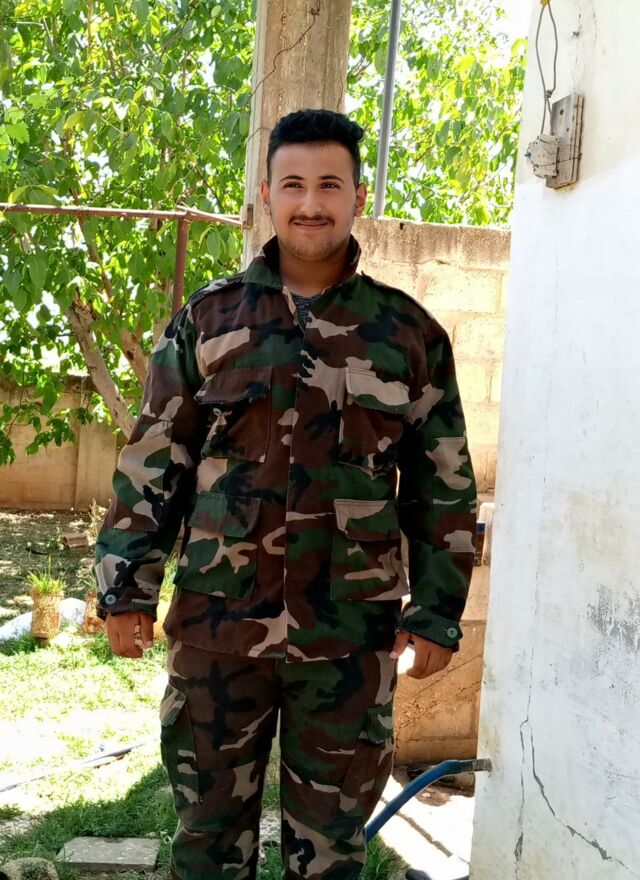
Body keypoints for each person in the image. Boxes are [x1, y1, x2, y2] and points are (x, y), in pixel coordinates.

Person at [95, 108, 476, 880]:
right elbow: (155, 460)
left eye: (330, 185)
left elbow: (442, 485)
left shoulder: (408, 334)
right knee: (208, 840)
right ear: (266, 194)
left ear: (358, 196)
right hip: (218, 629)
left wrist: (437, 612)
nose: (311, 202)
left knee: (331, 850)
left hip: (349, 639)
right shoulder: (209, 320)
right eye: (293, 183)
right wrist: (125, 586)